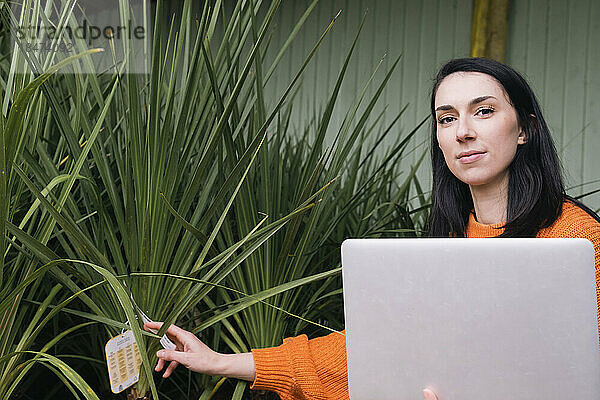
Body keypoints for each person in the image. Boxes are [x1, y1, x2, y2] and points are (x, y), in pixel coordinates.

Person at [144, 57, 600, 400]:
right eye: (446, 118)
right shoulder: (444, 244)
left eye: (483, 111)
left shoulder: (576, 238)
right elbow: (367, 353)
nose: (462, 131)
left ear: (524, 129)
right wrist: (221, 361)